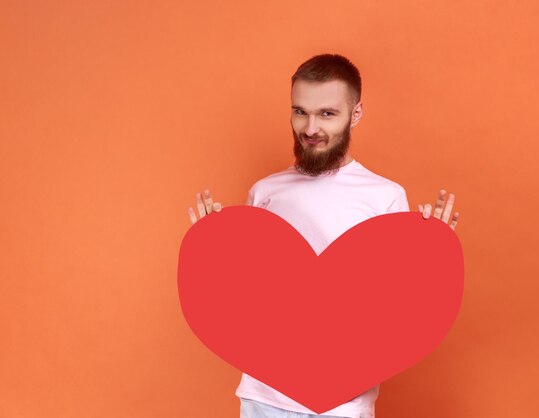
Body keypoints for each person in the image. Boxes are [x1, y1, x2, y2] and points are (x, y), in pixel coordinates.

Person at [187, 54, 460, 418]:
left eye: (327, 114)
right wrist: (208, 251)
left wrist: (433, 252)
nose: (310, 127)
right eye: (300, 112)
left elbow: (397, 301)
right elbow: (247, 292)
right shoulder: (265, 191)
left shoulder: (384, 196)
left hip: (343, 404)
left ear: (356, 114)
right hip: (264, 399)